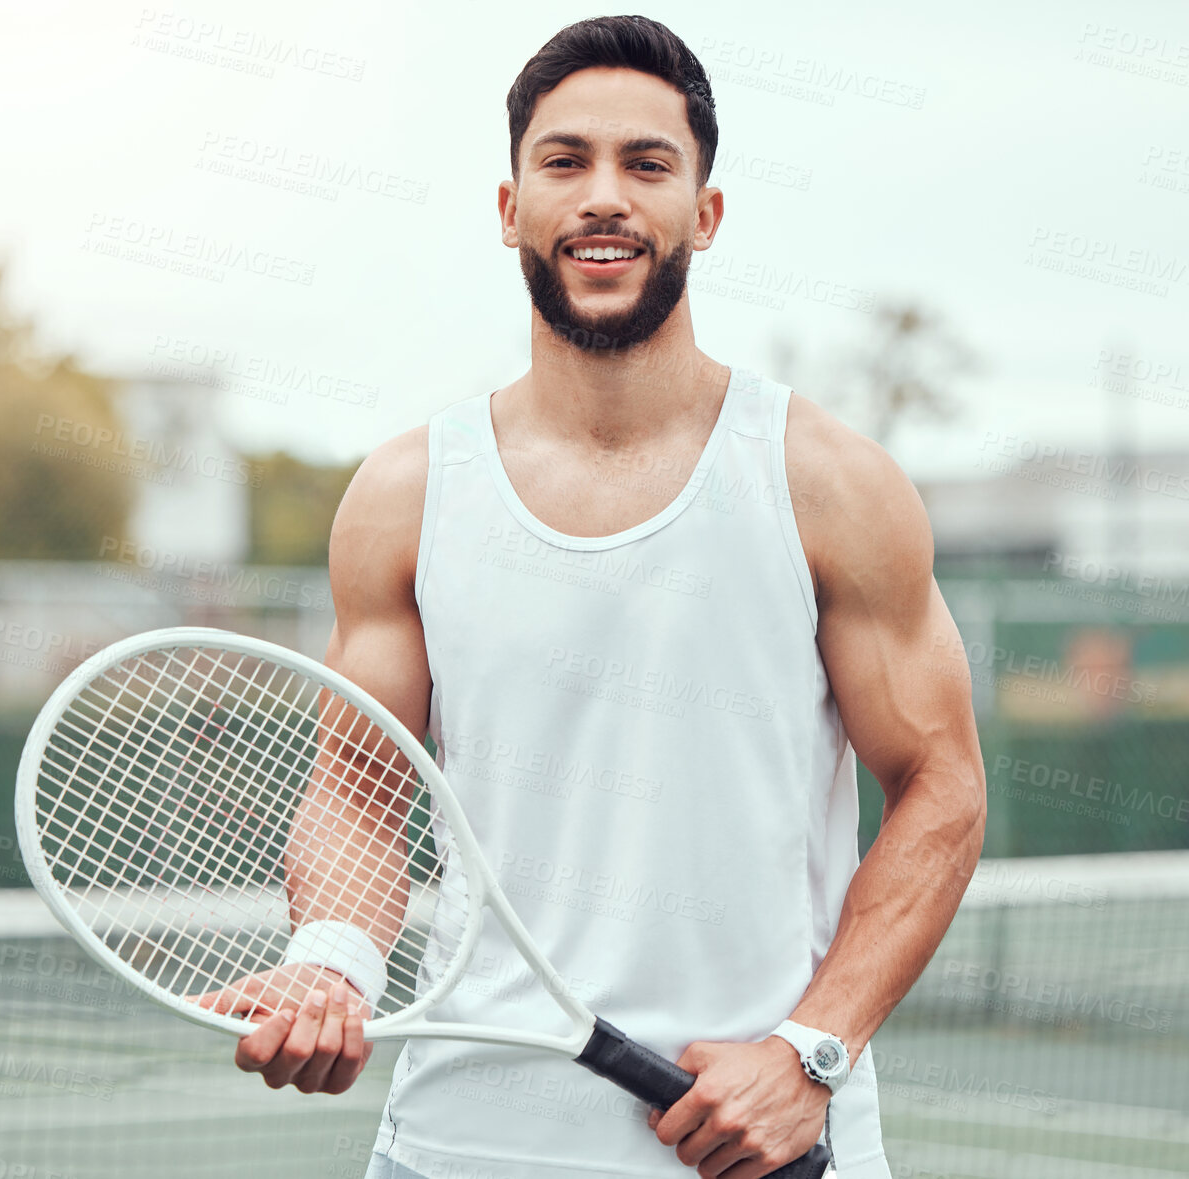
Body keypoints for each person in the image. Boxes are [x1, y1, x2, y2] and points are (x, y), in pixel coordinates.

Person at [213, 16, 985, 1179]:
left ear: (705, 214)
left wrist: (809, 1051)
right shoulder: (406, 492)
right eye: (565, 161)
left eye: (648, 163)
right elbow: (360, 788)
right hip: (461, 1148)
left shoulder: (828, 482)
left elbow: (941, 785)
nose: (605, 196)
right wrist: (332, 962)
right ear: (511, 207)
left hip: (763, 1145)